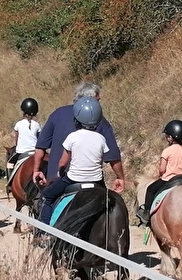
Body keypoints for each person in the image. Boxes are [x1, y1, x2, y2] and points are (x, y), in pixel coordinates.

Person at [32, 82, 125, 223]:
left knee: (47, 197)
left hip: (65, 179)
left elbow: (41, 147)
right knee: (110, 205)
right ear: (91, 100)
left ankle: (45, 233)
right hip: (94, 180)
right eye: (98, 101)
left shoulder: (57, 114)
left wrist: (37, 170)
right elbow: (113, 157)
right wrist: (120, 177)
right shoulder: (101, 123)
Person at [36, 96, 109, 208]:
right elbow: (100, 161)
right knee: (108, 201)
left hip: (73, 179)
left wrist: (60, 173)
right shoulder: (101, 138)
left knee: (47, 196)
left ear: (76, 119)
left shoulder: (72, 137)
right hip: (97, 181)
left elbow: (62, 163)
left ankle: (45, 225)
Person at [140, 120, 182, 224]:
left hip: (170, 180)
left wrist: (160, 173)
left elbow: (162, 170)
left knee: (151, 189)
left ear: (170, 137)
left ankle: (147, 213)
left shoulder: (167, 151)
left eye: (167, 136)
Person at [8, 97, 41, 168]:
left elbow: (16, 140)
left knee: (9, 164)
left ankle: (10, 179)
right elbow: (39, 139)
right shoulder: (37, 125)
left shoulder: (18, 124)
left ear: (23, 111)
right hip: (35, 152)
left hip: (22, 152)